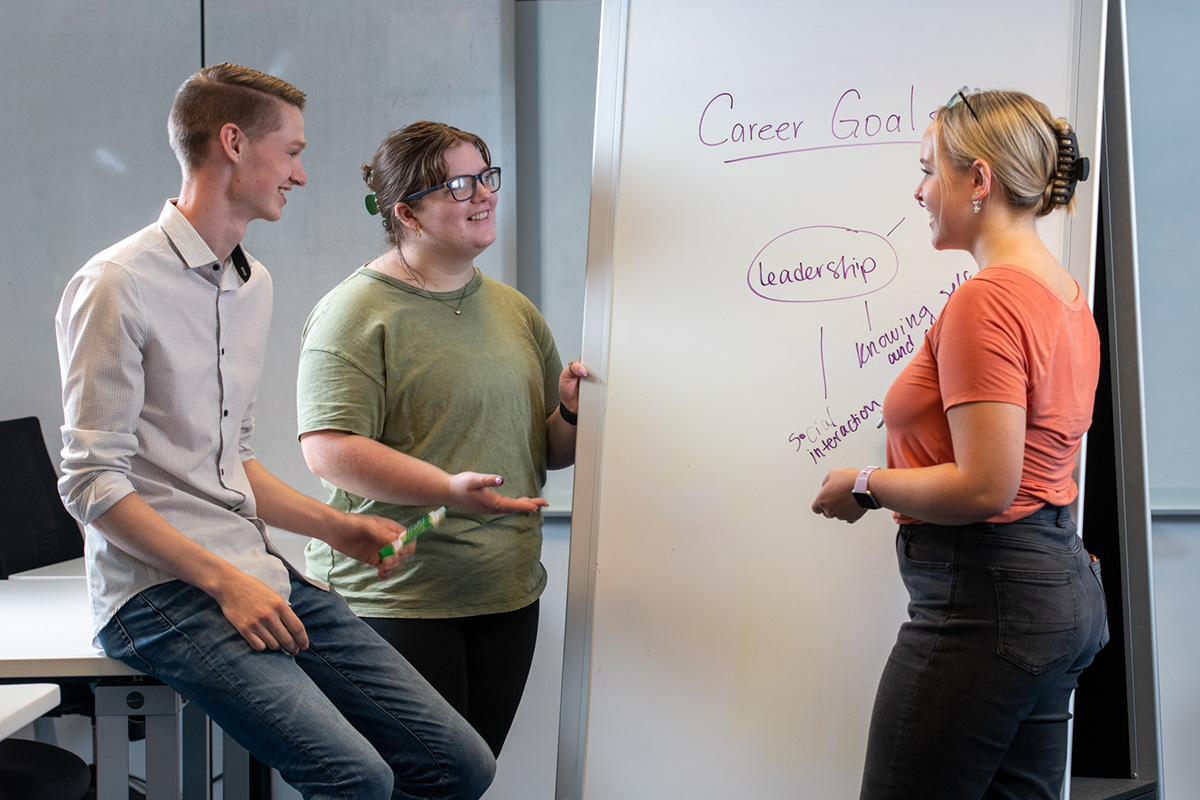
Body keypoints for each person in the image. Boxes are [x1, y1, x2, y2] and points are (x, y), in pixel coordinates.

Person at [55, 64, 495, 800]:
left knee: (458, 763)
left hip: (250, 569)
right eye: (291, 151)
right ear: (233, 142)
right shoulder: (117, 283)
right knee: (354, 777)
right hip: (158, 592)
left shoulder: (250, 282)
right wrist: (224, 581)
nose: (300, 173)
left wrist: (334, 527)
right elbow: (92, 481)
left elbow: (229, 460)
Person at [810, 88, 1108, 800]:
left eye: (928, 169)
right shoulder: (1064, 294)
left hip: (987, 601)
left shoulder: (988, 298)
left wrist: (865, 483)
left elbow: (985, 486)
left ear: (979, 180)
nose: (918, 190)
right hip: (1051, 587)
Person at [296, 120, 587, 757]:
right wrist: (448, 490)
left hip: (504, 589)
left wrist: (566, 414)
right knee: (421, 784)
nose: (483, 194)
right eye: (459, 184)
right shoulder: (355, 312)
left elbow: (549, 456)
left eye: (487, 176)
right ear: (408, 213)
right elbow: (329, 448)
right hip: (395, 599)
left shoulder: (514, 310)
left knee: (470, 778)